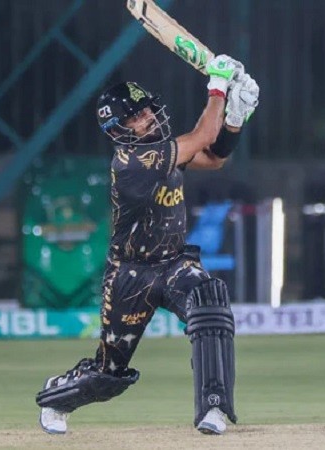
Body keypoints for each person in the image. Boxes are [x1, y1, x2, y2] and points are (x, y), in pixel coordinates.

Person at [35, 55, 260, 435]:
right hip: (130, 275)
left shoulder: (165, 149)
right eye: (135, 117)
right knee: (109, 373)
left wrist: (236, 117)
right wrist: (218, 86)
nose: (147, 117)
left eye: (145, 109)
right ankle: (57, 396)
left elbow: (212, 157)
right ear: (118, 130)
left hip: (174, 263)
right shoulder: (131, 161)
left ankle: (214, 407)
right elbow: (203, 136)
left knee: (210, 305)